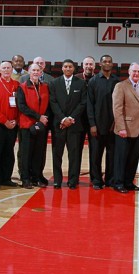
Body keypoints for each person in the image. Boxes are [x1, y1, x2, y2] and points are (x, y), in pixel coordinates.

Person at [112, 62, 139, 193]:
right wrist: (121, 127)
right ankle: (118, 183)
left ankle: (129, 182)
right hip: (125, 129)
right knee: (121, 158)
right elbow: (117, 109)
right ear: (129, 72)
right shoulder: (121, 86)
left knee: (134, 158)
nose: (136, 74)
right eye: (134, 71)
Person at [49, 59, 87, 189]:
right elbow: (53, 102)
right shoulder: (54, 83)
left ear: (74, 69)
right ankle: (57, 180)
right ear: (62, 68)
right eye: (66, 66)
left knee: (74, 155)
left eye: (70, 66)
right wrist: (63, 119)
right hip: (59, 125)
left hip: (74, 125)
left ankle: (72, 181)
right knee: (57, 154)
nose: (68, 68)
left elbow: (83, 103)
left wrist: (70, 118)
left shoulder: (81, 83)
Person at [19, 56, 54, 186]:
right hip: (27, 124)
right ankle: (25, 178)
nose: (35, 72)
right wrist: (38, 117)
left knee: (39, 152)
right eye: (33, 70)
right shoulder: (22, 87)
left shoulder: (45, 87)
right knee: (26, 153)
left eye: (37, 71)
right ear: (29, 72)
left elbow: (48, 105)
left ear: (41, 73)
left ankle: (37, 175)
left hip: (41, 124)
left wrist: (43, 119)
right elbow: (22, 106)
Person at [87, 55, 119, 189]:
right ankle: (96, 180)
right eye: (104, 61)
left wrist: (117, 123)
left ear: (112, 64)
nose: (107, 63)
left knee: (111, 155)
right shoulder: (93, 81)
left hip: (112, 126)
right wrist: (92, 124)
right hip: (97, 126)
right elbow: (89, 104)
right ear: (100, 64)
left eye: (109, 61)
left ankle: (110, 180)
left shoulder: (116, 81)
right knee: (95, 155)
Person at [0, 61, 20, 189]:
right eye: (4, 68)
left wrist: (16, 120)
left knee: (9, 152)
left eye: (8, 68)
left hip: (13, 124)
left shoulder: (16, 85)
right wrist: (4, 121)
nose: (6, 70)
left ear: (12, 70)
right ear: (0, 70)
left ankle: (7, 177)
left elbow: (20, 105)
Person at [75, 56, 96, 182]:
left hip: (93, 121)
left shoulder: (98, 79)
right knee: (76, 150)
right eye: (86, 64)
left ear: (94, 66)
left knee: (94, 150)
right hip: (78, 120)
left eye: (91, 64)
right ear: (83, 66)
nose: (89, 66)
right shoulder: (76, 78)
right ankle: (74, 176)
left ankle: (94, 177)